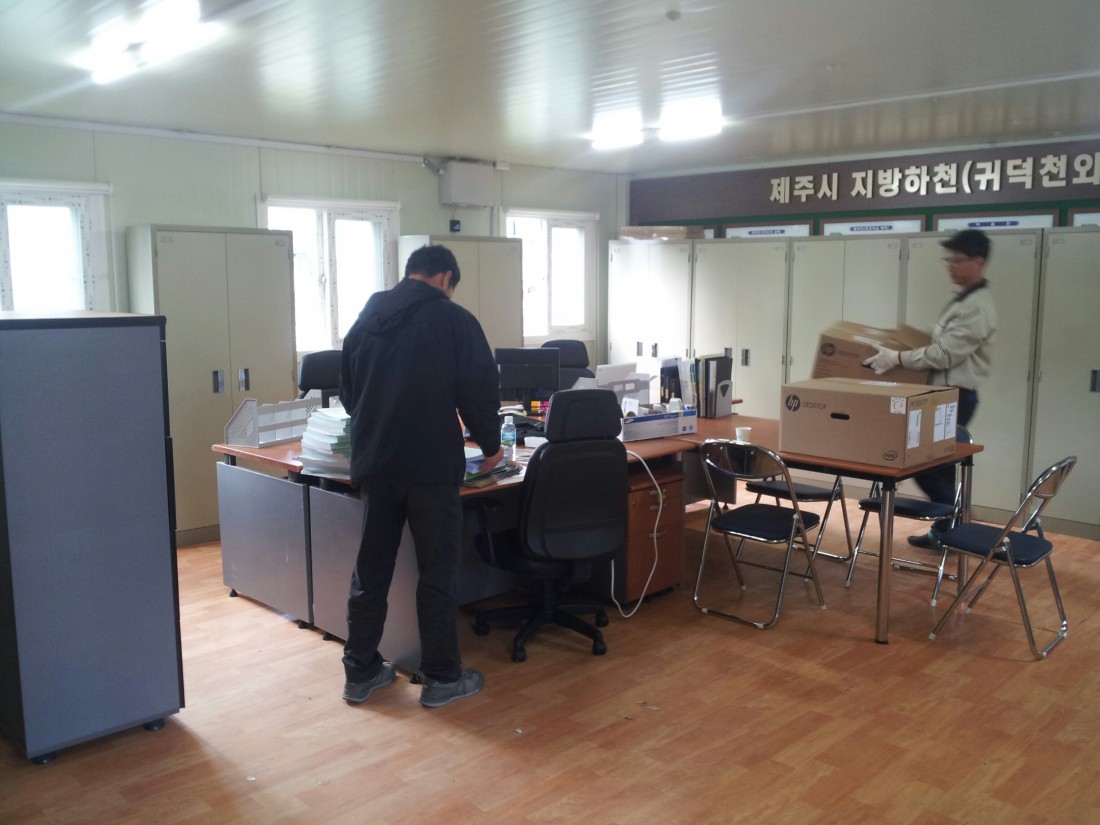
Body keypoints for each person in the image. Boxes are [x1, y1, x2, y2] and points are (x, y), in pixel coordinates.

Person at [339, 243, 504, 708]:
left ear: (411, 272)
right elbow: (478, 390)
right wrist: (491, 445)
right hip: (431, 467)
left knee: (371, 571)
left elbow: (349, 393)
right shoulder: (454, 320)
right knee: (437, 573)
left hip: (376, 462)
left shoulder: (367, 318)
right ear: (446, 278)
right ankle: (442, 678)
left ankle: (360, 672)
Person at [862, 229, 997, 549]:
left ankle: (957, 526)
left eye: (957, 260)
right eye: (948, 260)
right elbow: (940, 341)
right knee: (938, 468)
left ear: (978, 261)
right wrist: (902, 342)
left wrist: (897, 357)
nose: (950, 266)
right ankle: (949, 530)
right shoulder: (964, 299)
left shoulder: (976, 306)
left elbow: (946, 354)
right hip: (944, 395)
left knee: (925, 465)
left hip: (955, 397)